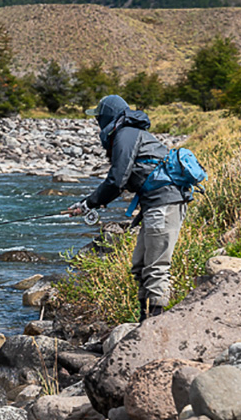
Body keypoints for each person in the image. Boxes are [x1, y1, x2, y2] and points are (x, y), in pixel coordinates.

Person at [67, 95, 189, 320]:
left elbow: (117, 179)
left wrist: (88, 203)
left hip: (164, 203)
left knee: (155, 266)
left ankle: (155, 323)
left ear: (108, 116)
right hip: (155, 203)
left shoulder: (126, 134)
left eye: (99, 117)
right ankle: (145, 318)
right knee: (140, 265)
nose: (98, 123)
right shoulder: (129, 133)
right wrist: (90, 202)